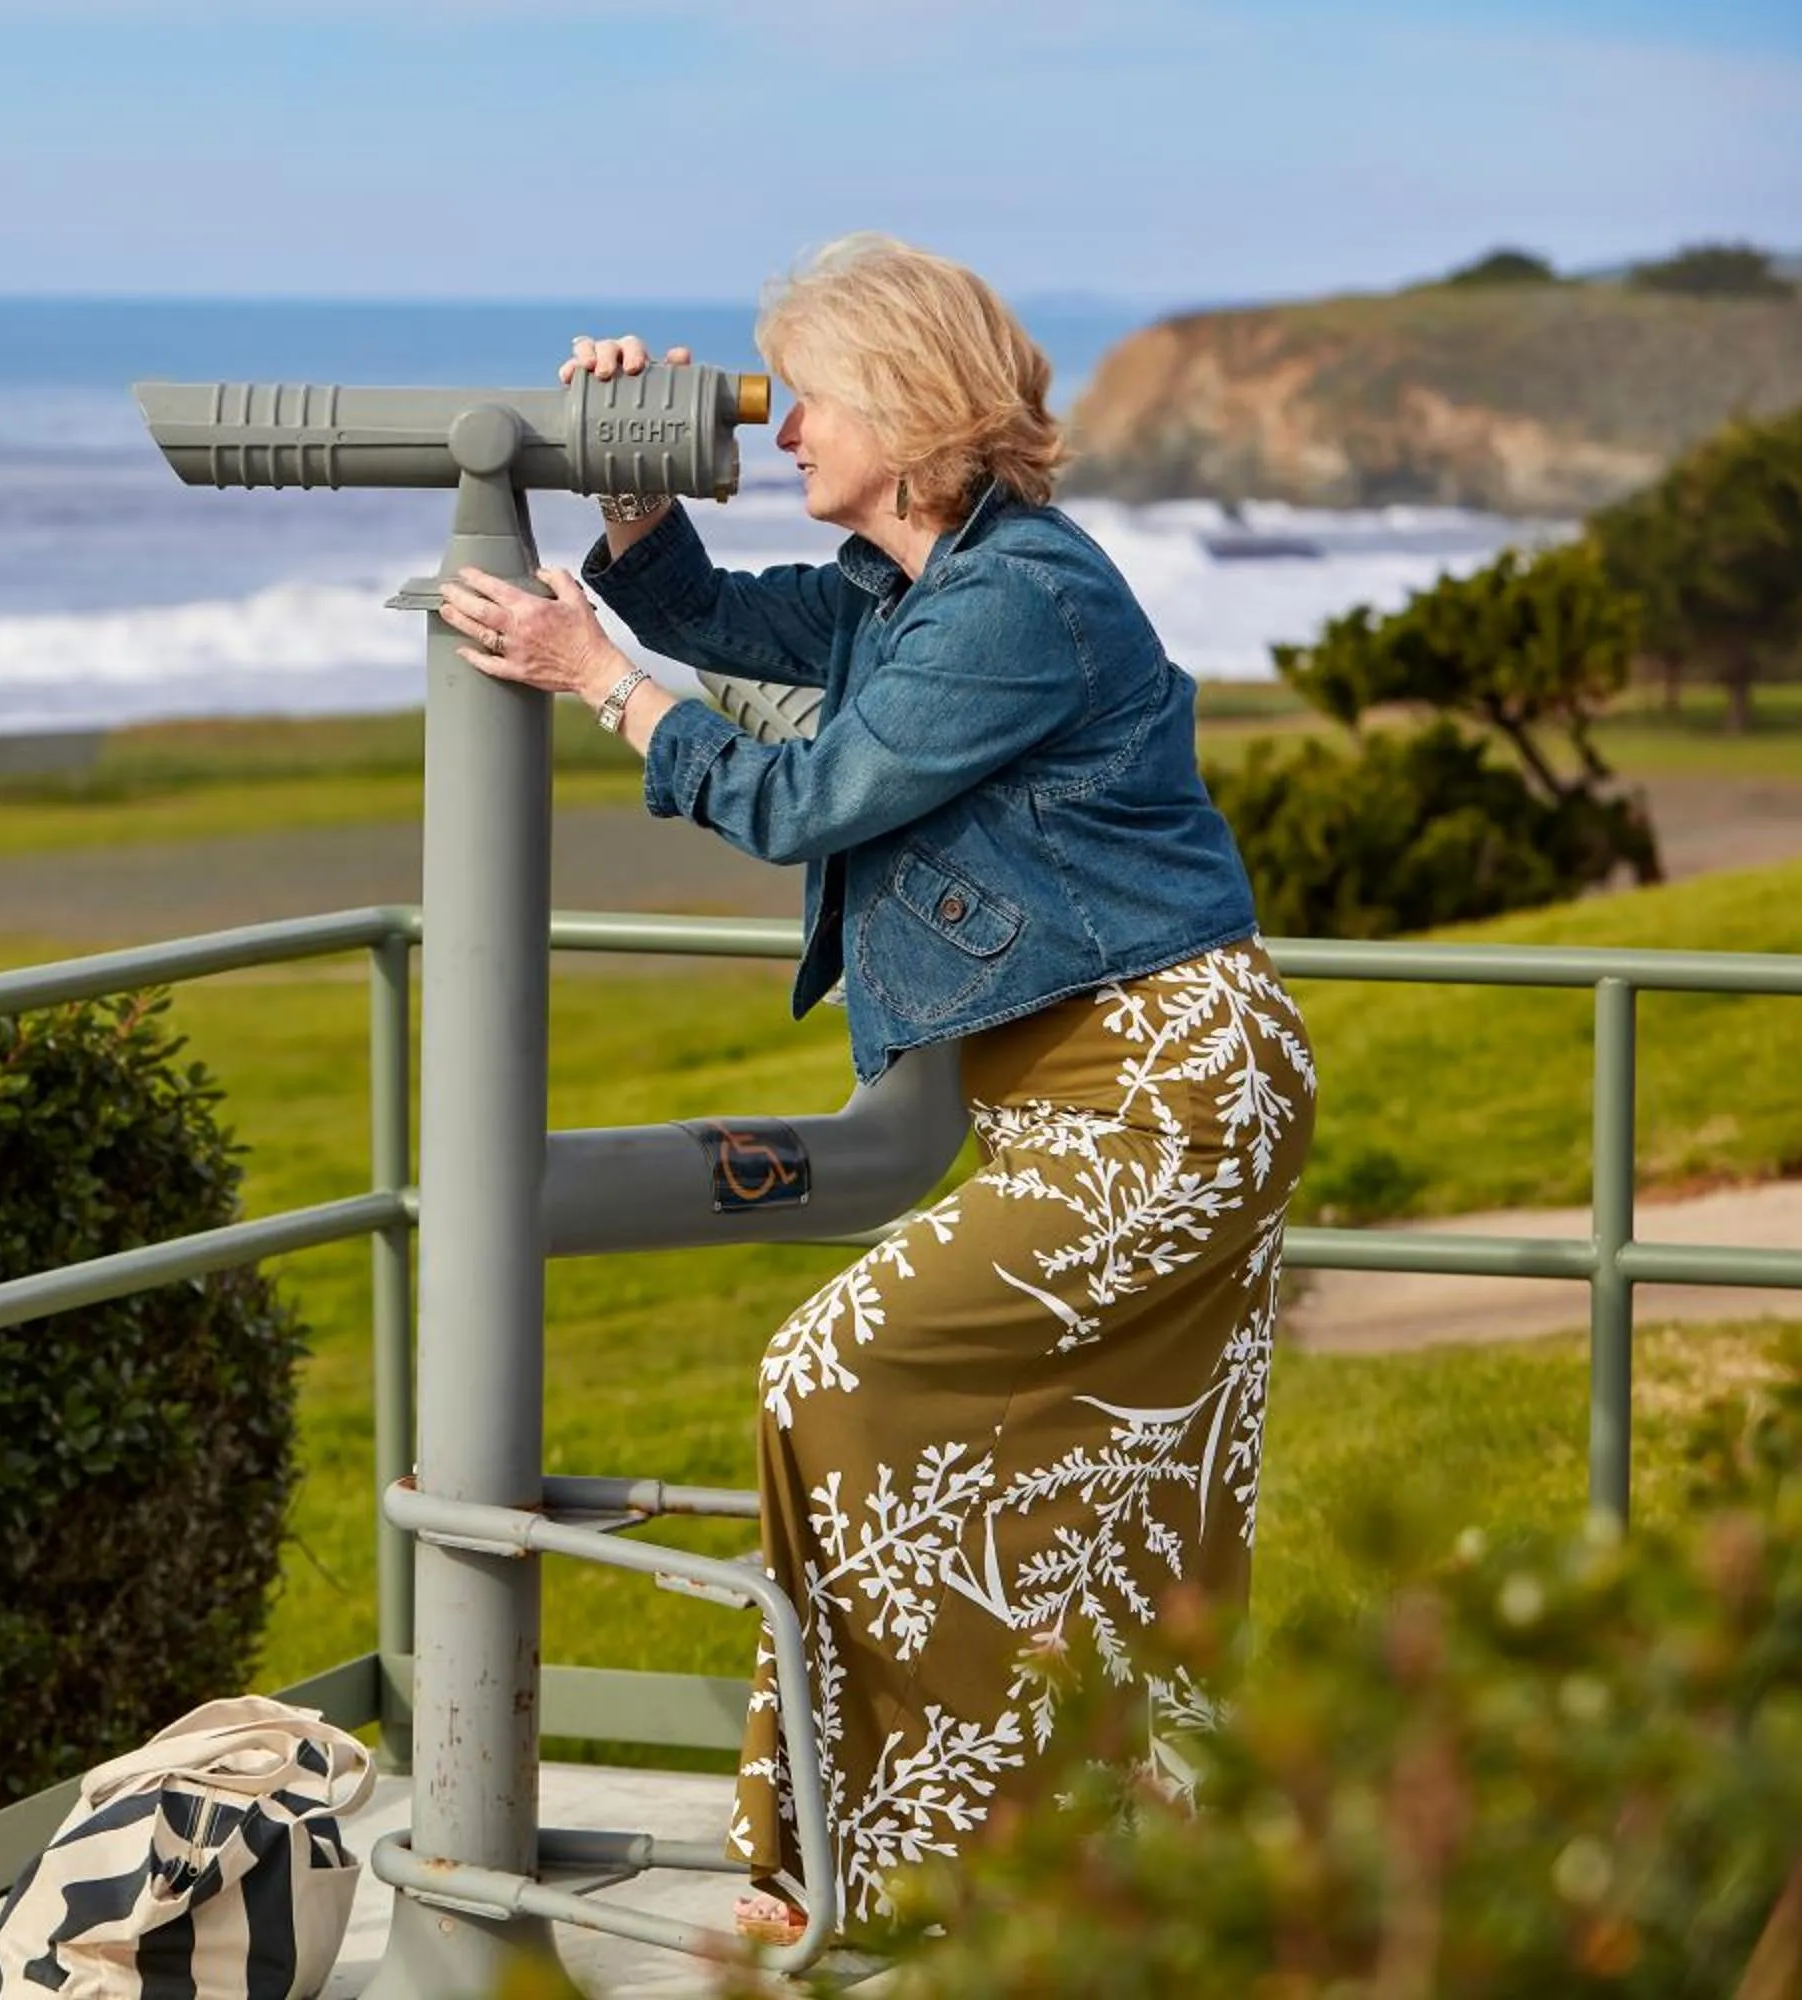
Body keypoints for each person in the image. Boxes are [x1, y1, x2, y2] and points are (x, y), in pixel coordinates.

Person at [435, 234, 1318, 1945]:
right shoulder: (907, 592)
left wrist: (599, 687)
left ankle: (859, 1865)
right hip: (1107, 1091)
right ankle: (1098, 1869)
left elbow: (806, 797)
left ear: (906, 407)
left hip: (1167, 1088)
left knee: (838, 1372)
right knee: (1118, 1482)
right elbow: (713, 612)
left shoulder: (1018, 604)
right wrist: (628, 497)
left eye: (806, 394)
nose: (782, 428)